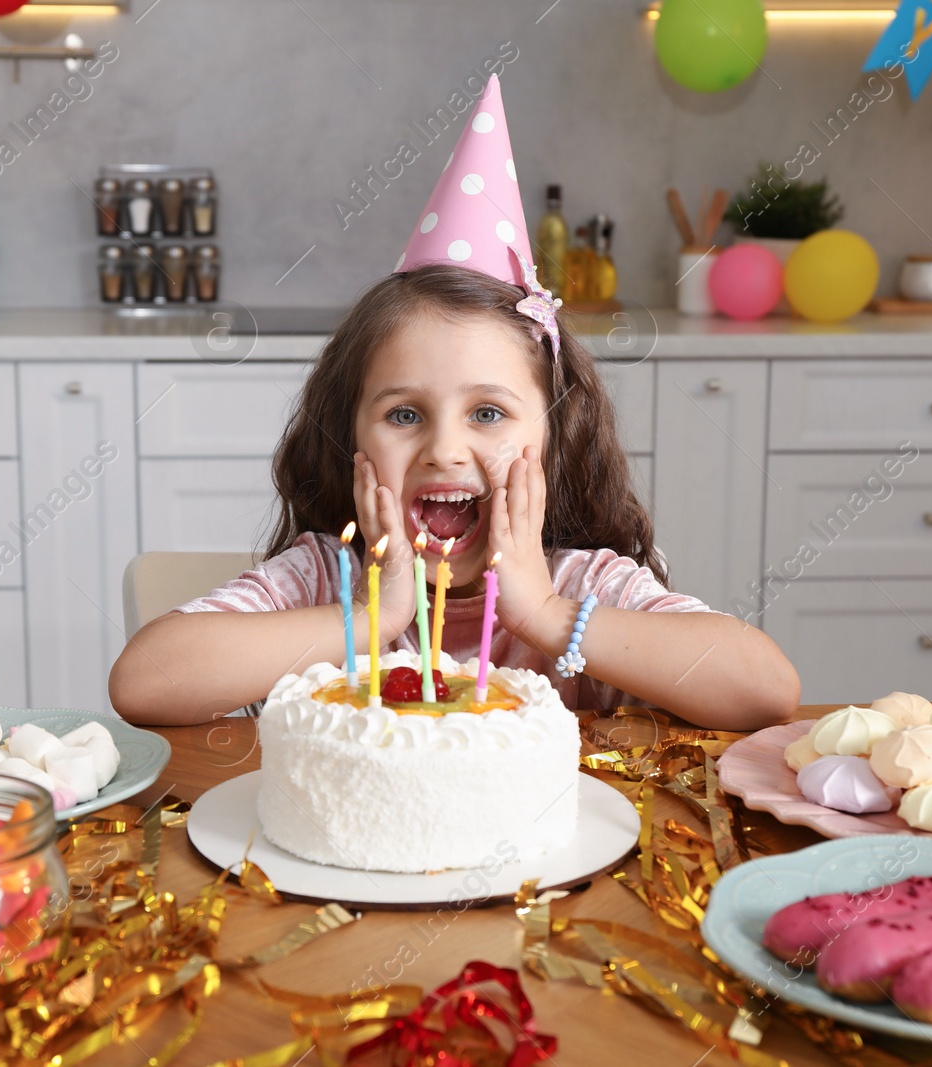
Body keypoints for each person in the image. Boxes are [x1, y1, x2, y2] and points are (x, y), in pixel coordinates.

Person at [109, 75, 798, 730]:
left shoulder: (581, 583)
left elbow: (766, 690)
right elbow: (143, 682)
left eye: (488, 413)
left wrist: (549, 614)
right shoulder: (328, 576)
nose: (444, 448)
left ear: (557, 433)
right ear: (350, 437)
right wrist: (371, 618)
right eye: (404, 414)